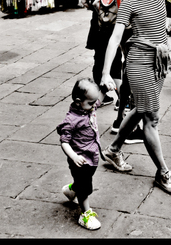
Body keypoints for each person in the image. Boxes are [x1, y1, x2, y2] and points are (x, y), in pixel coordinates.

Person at [99, 0, 171, 196]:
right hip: (139, 61)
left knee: (140, 110)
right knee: (151, 118)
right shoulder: (129, 1)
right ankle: (163, 173)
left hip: (159, 60)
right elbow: (116, 35)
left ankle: (113, 150)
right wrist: (106, 73)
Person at [57, 78, 104, 230]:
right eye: (91, 103)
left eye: (94, 102)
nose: (94, 106)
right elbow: (64, 141)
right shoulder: (71, 120)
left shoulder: (87, 107)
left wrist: (105, 90)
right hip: (80, 159)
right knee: (85, 187)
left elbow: (98, 101)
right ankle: (85, 215)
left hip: (92, 156)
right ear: (78, 101)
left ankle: (71, 190)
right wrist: (74, 156)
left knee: (85, 180)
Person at [85, 0, 125, 102]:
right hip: (106, 29)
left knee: (100, 61)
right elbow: (96, 3)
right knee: (114, 63)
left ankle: (99, 97)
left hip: (97, 28)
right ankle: (122, 99)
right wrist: (106, 15)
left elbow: (85, 1)